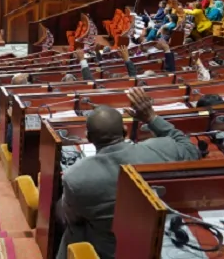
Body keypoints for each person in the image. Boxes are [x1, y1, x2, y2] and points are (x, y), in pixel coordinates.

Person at [56, 88, 200, 259]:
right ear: (125, 131)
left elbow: (73, 219)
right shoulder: (163, 149)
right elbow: (191, 150)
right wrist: (151, 117)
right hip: (158, 245)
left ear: (88, 137)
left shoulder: (75, 177)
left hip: (110, 252)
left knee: (66, 217)